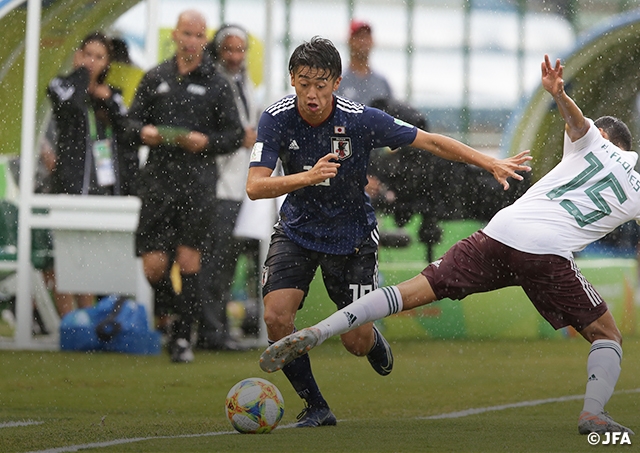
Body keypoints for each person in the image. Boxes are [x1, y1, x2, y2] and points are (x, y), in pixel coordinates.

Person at [260, 54, 636, 436]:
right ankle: (593, 414)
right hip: (548, 251)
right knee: (606, 335)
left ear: (604, 137)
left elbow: (577, 123)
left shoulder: (592, 142)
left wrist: (558, 94)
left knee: (413, 291)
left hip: (502, 231)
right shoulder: (635, 185)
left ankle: (322, 331)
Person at [246, 36, 530, 428]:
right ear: (291, 79)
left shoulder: (360, 118)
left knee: (355, 342)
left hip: (353, 239)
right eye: (304, 83)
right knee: (277, 319)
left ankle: (373, 338)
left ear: (337, 82)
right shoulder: (275, 117)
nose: (312, 94)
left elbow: (428, 140)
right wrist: (306, 178)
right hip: (297, 232)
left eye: (321, 84)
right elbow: (254, 186)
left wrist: (488, 161)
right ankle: (315, 406)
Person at [126, 10, 244, 363]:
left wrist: (204, 142)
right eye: (186, 33)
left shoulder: (217, 84)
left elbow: (235, 135)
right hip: (158, 184)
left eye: (198, 35)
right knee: (154, 266)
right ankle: (174, 313)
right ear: (175, 35)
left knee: (189, 260)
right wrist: (143, 133)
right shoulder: (155, 77)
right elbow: (130, 123)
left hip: (197, 185)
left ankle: (181, 338)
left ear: (204, 39)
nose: (191, 41)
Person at [46, 31, 136, 316]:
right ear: (77, 56)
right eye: (88, 55)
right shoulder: (61, 85)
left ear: (108, 62)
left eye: (99, 57)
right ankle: (68, 322)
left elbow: (128, 129)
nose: (92, 62)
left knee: (90, 260)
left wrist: (107, 99)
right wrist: (83, 77)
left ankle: (90, 320)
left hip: (104, 189)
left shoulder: (111, 95)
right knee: (66, 255)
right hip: (69, 186)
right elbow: (69, 104)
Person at [196, 24, 259, 350]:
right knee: (214, 262)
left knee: (228, 263)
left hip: (239, 186)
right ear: (218, 51)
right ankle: (210, 330)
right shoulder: (212, 84)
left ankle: (218, 327)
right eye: (229, 50)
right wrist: (240, 137)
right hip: (218, 185)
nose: (235, 56)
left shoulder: (244, 82)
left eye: (240, 50)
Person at [337, 20, 392, 106]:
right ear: (350, 41)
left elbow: (391, 113)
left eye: (367, 37)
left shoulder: (381, 82)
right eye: (359, 37)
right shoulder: (339, 81)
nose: (364, 42)